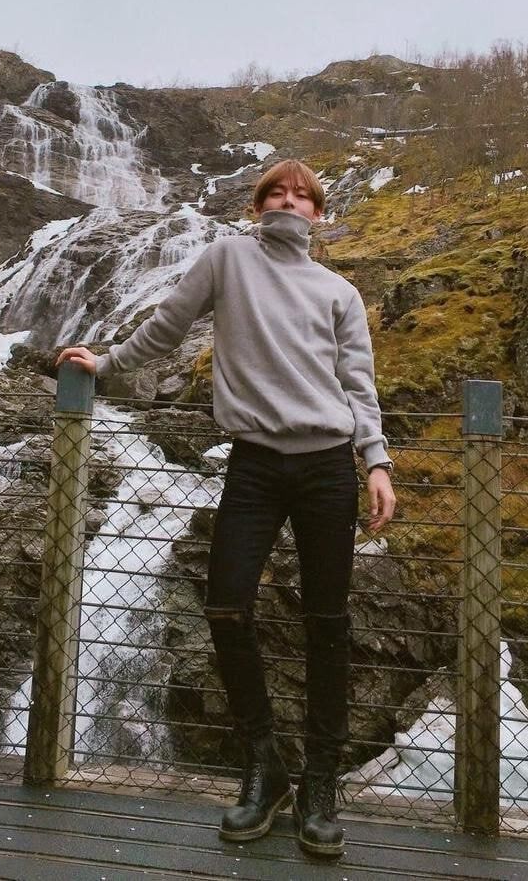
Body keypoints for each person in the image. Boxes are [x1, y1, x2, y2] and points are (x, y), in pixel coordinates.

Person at [57, 159, 395, 857]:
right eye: (276, 192)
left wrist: (377, 462)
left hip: (328, 466)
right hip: (254, 463)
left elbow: (357, 385)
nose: (288, 201)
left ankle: (320, 784)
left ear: (318, 213)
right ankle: (264, 767)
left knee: (327, 622)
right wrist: (106, 364)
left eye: (301, 195)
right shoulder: (226, 258)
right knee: (225, 605)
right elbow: (167, 326)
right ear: (257, 204)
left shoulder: (339, 291)